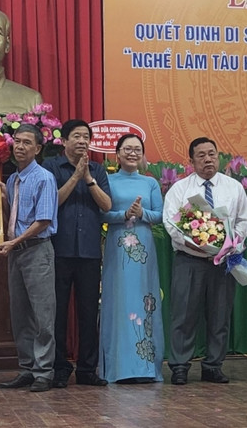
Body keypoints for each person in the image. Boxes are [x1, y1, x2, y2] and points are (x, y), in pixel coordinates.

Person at [162, 137, 247, 385]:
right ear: (191, 161)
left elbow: (244, 221)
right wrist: (189, 242)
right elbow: (170, 222)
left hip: (224, 261)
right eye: (201, 155)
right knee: (184, 315)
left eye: (212, 154)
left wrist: (235, 242)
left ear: (219, 156)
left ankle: (213, 365)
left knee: (220, 315)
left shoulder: (234, 188)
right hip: (189, 259)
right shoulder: (180, 189)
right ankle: (180, 366)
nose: (208, 159)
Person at [42, 119, 112, 388]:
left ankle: (86, 370)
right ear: (64, 140)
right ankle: (60, 369)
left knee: (87, 313)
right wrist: (75, 176)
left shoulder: (97, 169)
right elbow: (52, 202)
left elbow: (107, 206)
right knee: (57, 313)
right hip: (59, 250)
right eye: (77, 136)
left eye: (86, 137)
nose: (82, 141)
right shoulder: (50, 167)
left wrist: (88, 179)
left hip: (90, 253)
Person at [0, 124, 59, 393]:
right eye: (17, 141)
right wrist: (6, 198)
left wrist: (14, 243)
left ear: (38, 149)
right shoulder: (13, 179)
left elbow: (43, 221)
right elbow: (15, 216)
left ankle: (44, 372)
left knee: (43, 315)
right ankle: (27, 368)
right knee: (20, 315)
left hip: (36, 250)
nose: (19, 147)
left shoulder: (44, 177)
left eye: (26, 143)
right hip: (16, 253)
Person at [99, 134, 165, 383]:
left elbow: (160, 215)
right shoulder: (107, 180)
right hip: (118, 248)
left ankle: (146, 368)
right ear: (117, 154)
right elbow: (101, 214)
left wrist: (142, 213)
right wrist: (124, 213)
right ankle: (119, 368)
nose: (132, 153)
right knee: (118, 302)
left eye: (137, 149)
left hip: (144, 250)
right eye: (127, 149)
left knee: (143, 300)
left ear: (143, 154)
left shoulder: (150, 183)